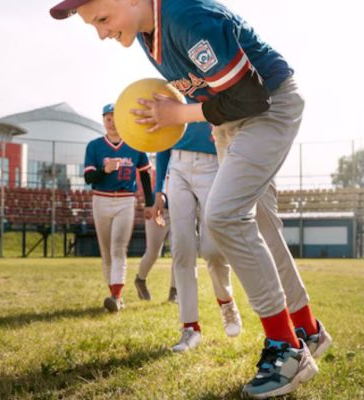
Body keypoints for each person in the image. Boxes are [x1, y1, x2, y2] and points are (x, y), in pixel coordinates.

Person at [50, 1, 331, 398]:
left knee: (225, 216)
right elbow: (215, 97)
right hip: (232, 120)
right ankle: (308, 329)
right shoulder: (148, 33)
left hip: (268, 104)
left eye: (102, 19)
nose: (101, 33)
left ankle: (287, 348)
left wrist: (178, 114)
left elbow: (252, 97)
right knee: (263, 226)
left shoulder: (185, 17)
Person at [154, 122, 242, 353]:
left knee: (213, 249)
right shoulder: (171, 85)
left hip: (214, 163)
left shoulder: (214, 84)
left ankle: (227, 303)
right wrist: (158, 191)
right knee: (182, 249)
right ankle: (190, 328)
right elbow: (163, 139)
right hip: (178, 165)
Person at [84, 103, 154, 313]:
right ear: (103, 120)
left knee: (118, 249)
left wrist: (149, 203)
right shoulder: (94, 146)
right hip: (101, 199)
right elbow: (89, 178)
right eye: (108, 118)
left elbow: (144, 173)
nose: (112, 122)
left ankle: (116, 296)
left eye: (115, 117)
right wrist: (104, 170)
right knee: (106, 252)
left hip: (125, 200)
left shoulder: (134, 144)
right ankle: (114, 294)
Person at [134, 173, 176, 303]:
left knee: (179, 251)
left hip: (179, 209)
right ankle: (140, 280)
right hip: (159, 210)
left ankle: (174, 291)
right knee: (153, 253)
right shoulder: (165, 157)